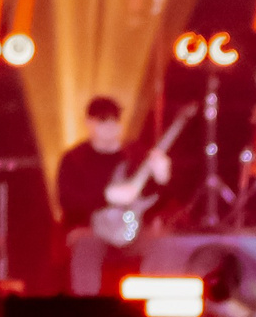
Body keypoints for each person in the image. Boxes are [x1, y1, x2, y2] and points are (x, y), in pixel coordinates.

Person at [56, 97, 170, 295]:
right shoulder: (74, 159)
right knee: (85, 246)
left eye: (114, 119)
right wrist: (107, 197)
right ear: (89, 123)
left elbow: (157, 200)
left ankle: (154, 307)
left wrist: (163, 178)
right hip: (90, 229)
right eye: (103, 119)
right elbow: (67, 201)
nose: (110, 125)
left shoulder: (136, 155)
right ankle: (87, 312)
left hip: (133, 229)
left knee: (163, 242)